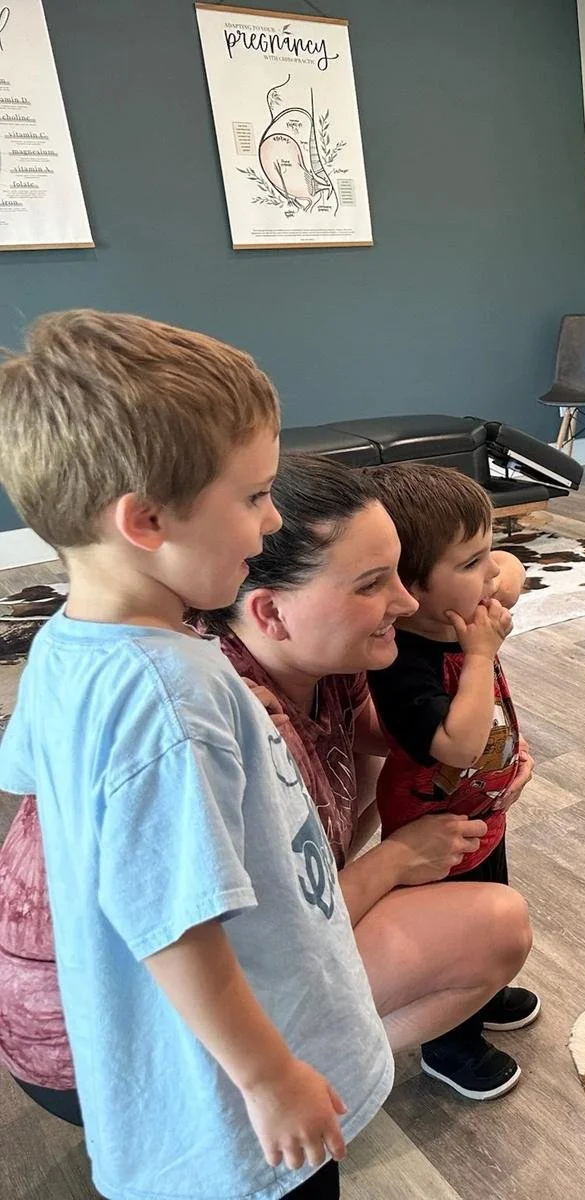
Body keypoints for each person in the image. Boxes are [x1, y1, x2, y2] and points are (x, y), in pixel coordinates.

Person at [0, 453, 537, 1123]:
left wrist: (487, 766)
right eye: (373, 584)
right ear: (270, 612)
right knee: (495, 926)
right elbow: (251, 930)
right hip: (111, 1052)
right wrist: (397, 859)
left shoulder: (324, 657)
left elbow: (406, 736)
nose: (403, 604)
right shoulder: (217, 721)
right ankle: (253, 1100)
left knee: (377, 774)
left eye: (402, 573)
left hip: (180, 977)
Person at [0, 310, 390, 1199]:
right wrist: (270, 1079)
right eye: (252, 495)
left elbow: (24, 775)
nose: (273, 517)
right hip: (236, 1103)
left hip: (189, 1069)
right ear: (144, 520)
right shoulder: (170, 691)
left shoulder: (67, 645)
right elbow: (172, 922)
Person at [359, 462, 538, 1100]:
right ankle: (451, 1046)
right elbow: (459, 745)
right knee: (462, 909)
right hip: (434, 819)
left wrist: (491, 564)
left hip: (484, 807)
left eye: (485, 554)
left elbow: (510, 573)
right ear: (408, 588)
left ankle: (483, 981)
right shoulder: (404, 663)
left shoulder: (457, 613)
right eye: (469, 564)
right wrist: (484, 653)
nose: (490, 574)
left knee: (493, 887)